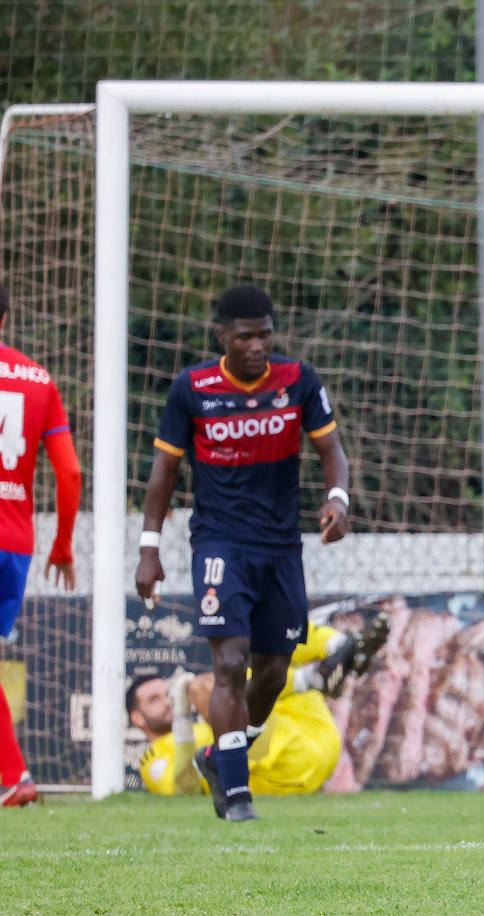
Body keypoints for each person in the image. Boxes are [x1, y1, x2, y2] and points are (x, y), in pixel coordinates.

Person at [134, 284, 351, 822]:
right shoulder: (193, 388)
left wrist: (338, 499)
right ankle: (237, 795)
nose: (257, 345)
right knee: (228, 663)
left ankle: (218, 755)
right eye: (246, 336)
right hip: (219, 543)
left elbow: (331, 449)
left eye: (265, 334)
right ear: (223, 336)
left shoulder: (298, 381)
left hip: (280, 548)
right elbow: (164, 471)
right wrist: (149, 548)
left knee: (272, 671)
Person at [127, 621, 384, 797]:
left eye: (166, 693)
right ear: (136, 718)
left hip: (316, 733)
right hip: (281, 768)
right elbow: (184, 789)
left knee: (272, 630)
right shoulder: (154, 759)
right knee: (209, 686)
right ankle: (315, 677)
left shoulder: (208, 720)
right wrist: (183, 721)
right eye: (153, 700)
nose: (167, 701)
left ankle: (343, 645)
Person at [0, 283, 81, 807]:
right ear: (6, 318)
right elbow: (70, 472)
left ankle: (14, 775)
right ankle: (14, 776)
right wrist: (63, 545)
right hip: (16, 542)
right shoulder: (38, 378)